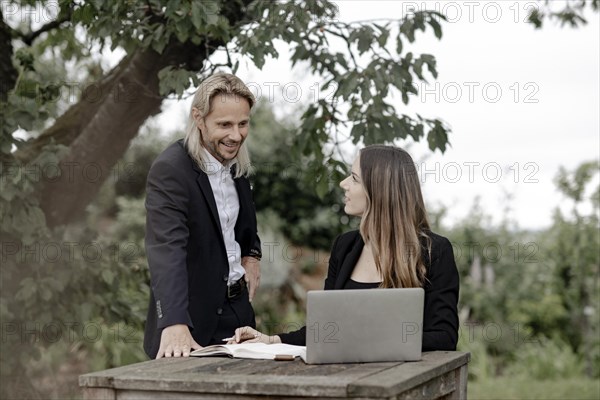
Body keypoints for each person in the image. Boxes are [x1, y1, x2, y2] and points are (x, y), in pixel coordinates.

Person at [230, 145, 459, 351]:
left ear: (379, 190)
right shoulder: (345, 246)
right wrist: (270, 340)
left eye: (354, 178)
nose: (343, 183)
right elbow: (327, 329)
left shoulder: (433, 251)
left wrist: (362, 338)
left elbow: (444, 336)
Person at [143, 73, 262, 359]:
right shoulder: (171, 170)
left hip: (239, 315)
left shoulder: (234, 163)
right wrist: (173, 322)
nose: (236, 135)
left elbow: (243, 226)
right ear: (198, 118)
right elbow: (166, 250)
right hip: (190, 321)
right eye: (224, 125)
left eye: (243, 124)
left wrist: (253, 255)